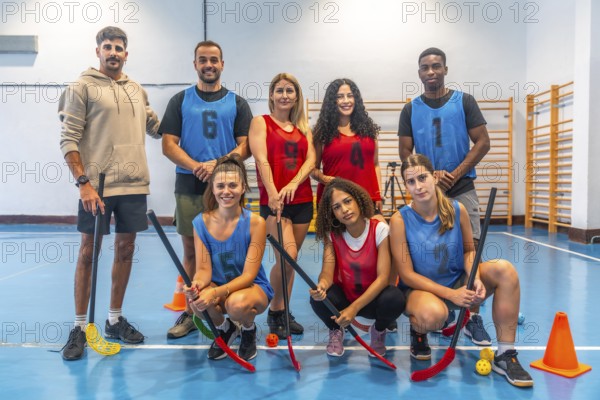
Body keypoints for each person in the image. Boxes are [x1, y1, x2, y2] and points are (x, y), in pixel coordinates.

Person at [58, 26, 160, 361]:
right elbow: (69, 140)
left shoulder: (136, 89)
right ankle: (78, 327)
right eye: (107, 47)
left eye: (119, 47)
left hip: (133, 185)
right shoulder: (81, 87)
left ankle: (114, 319)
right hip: (97, 188)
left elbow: (157, 128)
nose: (113, 52)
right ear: (98, 51)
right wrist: (83, 183)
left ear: (126, 54)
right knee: (89, 252)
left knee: (126, 250)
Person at [389, 154, 533, 388]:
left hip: (458, 283)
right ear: (405, 185)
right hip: (421, 290)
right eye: (411, 182)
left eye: (423, 178)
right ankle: (418, 331)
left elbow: (468, 252)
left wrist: (474, 277)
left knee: (505, 270)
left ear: (434, 177)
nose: (418, 186)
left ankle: (506, 354)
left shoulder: (458, 210)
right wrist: (450, 296)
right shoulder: (399, 220)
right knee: (434, 317)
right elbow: (406, 275)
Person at [397, 47, 492, 345]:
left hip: (461, 189)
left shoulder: (463, 101)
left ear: (446, 69)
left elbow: (483, 142)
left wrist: (456, 172)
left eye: (436, 66)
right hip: (427, 192)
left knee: (470, 251)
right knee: (422, 254)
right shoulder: (411, 109)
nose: (431, 72)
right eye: (425, 67)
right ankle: (433, 307)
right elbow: (404, 152)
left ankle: (472, 319)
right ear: (419, 73)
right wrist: (429, 174)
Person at [159, 40, 252, 339]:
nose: (209, 64)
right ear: (195, 64)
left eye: (214, 60)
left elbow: (246, 146)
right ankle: (192, 311)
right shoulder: (179, 100)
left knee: (234, 248)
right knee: (190, 252)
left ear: (222, 64)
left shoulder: (237, 103)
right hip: (188, 184)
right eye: (203, 60)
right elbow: (168, 144)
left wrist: (218, 165)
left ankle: (233, 310)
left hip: (227, 188)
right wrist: (197, 165)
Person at [183, 156, 273, 361]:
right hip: (219, 286)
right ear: (213, 189)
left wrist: (214, 292)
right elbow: (204, 270)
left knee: (236, 305)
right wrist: (196, 285)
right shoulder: (201, 222)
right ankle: (227, 329)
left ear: (243, 188)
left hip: (251, 288)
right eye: (220, 185)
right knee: (196, 302)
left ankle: (248, 330)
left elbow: (249, 276)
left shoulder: (256, 223)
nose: (226, 191)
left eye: (233, 185)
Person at [248, 73, 315, 339]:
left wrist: (294, 184)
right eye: (280, 90)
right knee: (288, 257)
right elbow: (261, 159)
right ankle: (274, 307)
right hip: (273, 203)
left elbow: (310, 161)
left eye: (290, 90)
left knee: (289, 263)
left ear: (296, 96)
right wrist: (274, 192)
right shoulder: (261, 123)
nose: (285, 95)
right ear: (272, 95)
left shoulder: (303, 127)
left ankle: (282, 310)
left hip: (301, 202)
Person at [310, 179, 405, 357]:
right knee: (318, 299)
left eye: (347, 201)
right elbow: (327, 273)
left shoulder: (380, 230)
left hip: (372, 300)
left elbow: (383, 278)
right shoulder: (333, 235)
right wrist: (321, 285)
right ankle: (336, 330)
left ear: (358, 200)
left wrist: (353, 309)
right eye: (337, 207)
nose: (344, 210)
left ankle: (378, 331)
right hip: (345, 298)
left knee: (395, 298)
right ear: (332, 213)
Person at [312, 78, 384, 218]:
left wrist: (378, 194)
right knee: (335, 240)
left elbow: (375, 164)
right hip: (335, 201)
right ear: (332, 101)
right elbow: (312, 169)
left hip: (366, 198)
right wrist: (324, 178)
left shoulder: (368, 129)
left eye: (350, 95)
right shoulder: (322, 132)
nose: (346, 101)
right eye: (340, 97)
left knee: (371, 238)